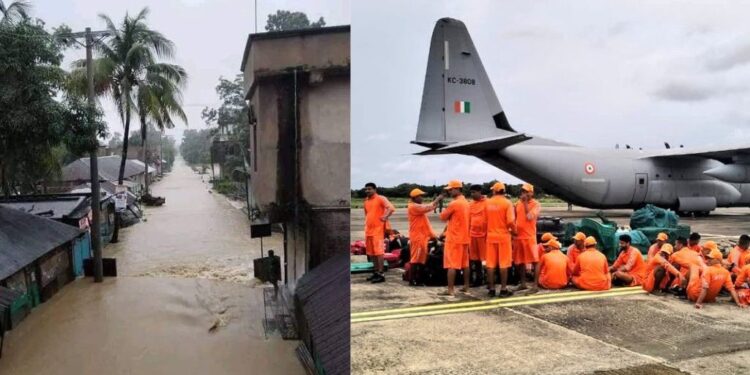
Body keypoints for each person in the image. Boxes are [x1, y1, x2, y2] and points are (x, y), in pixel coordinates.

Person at [438, 180, 471, 296]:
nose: (449, 191)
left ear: (457, 189)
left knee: (451, 264)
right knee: (465, 264)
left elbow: (442, 217)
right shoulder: (467, 203)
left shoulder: (454, 204)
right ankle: (466, 286)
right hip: (465, 237)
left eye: (451, 189)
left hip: (454, 238)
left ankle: (450, 289)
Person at [485, 182, 515, 297]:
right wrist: (514, 231)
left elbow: (484, 220)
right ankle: (503, 289)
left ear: (494, 191)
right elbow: (510, 221)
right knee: (504, 264)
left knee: (490, 264)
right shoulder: (507, 203)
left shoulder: (488, 203)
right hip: (503, 237)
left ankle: (491, 289)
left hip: (491, 236)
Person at [407, 188, 441, 286]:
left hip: (422, 237)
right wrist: (438, 199)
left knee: (421, 259)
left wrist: (433, 236)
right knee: (415, 259)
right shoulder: (413, 207)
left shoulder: (417, 207)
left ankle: (419, 279)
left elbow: (426, 223)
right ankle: (412, 279)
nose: (422, 198)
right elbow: (428, 207)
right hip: (417, 237)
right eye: (420, 196)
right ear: (415, 197)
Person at [363, 182, 395, 283]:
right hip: (368, 230)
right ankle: (376, 272)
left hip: (378, 231)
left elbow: (391, 208)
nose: (367, 191)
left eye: (369, 189)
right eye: (366, 189)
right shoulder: (366, 201)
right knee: (371, 253)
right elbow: (367, 215)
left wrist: (385, 216)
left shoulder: (381, 198)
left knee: (379, 252)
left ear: (375, 189)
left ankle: (381, 274)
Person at [513, 183, 541, 291]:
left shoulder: (536, 204)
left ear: (532, 193)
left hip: (529, 237)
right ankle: (523, 283)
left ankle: (535, 285)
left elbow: (529, 217)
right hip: (519, 237)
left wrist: (524, 203)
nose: (524, 193)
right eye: (523, 191)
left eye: (526, 191)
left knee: (535, 261)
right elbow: (515, 218)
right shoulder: (517, 204)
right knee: (520, 261)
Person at [468, 184, 488, 286]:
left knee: (485, 259)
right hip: (473, 235)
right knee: (475, 259)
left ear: (480, 192)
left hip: (484, 236)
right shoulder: (470, 204)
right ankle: (478, 279)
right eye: (471, 192)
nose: (472, 194)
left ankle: (489, 279)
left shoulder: (487, 203)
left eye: (474, 192)